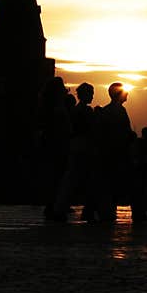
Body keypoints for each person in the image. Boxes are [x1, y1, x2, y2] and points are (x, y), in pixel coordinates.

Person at [96, 82, 147, 222]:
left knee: (112, 185)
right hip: (120, 153)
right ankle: (138, 214)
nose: (127, 94)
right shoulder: (119, 111)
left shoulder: (107, 111)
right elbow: (124, 133)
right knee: (133, 185)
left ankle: (107, 213)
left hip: (110, 154)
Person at [54, 82, 97, 221]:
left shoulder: (76, 110)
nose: (92, 96)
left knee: (73, 179)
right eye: (90, 93)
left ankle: (62, 207)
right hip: (82, 147)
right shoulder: (84, 111)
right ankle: (86, 209)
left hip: (77, 146)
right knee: (81, 179)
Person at [38, 77, 72, 221]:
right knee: (57, 177)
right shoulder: (56, 109)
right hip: (57, 145)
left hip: (53, 144)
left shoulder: (48, 106)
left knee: (54, 176)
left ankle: (54, 205)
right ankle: (55, 206)